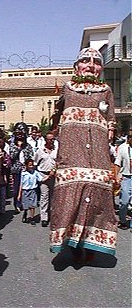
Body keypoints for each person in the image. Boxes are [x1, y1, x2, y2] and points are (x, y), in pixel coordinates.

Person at [50, 47, 117, 263]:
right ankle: (70, 241)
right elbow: (56, 117)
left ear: (101, 68)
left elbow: (111, 122)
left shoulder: (106, 90)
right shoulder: (68, 88)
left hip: (97, 154)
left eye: (96, 62)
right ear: (76, 66)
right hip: (71, 152)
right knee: (69, 195)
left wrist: (107, 146)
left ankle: (89, 241)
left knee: (96, 196)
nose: (90, 64)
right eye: (85, 60)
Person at [34, 131, 58, 227]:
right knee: (44, 196)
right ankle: (44, 217)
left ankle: (52, 216)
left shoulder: (56, 150)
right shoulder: (40, 151)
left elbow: (59, 161)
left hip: (54, 175)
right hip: (43, 174)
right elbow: (35, 163)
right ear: (45, 140)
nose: (52, 141)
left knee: (53, 197)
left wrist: (54, 170)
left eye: (53, 139)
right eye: (50, 139)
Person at [9, 122, 34, 213]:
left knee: (26, 189)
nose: (20, 136)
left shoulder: (28, 146)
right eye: (18, 134)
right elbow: (11, 156)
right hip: (16, 170)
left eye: (21, 134)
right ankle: (16, 203)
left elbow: (31, 157)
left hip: (26, 171)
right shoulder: (12, 145)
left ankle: (24, 203)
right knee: (16, 189)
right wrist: (18, 147)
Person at [18, 158, 49, 225]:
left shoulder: (35, 173)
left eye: (32, 165)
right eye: (29, 165)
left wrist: (49, 176)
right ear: (26, 165)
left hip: (33, 190)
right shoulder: (23, 173)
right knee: (26, 205)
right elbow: (21, 183)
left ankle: (32, 218)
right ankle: (25, 213)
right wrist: (19, 194)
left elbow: (41, 180)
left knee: (32, 205)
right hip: (25, 191)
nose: (31, 167)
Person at [114, 133, 132, 230]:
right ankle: (123, 220)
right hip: (126, 177)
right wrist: (116, 176)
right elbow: (118, 162)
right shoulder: (123, 147)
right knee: (124, 202)